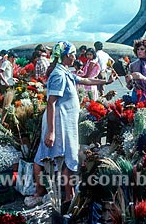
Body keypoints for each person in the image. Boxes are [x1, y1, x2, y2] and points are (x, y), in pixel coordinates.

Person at [33, 41, 115, 201]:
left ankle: (62, 194)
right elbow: (51, 102)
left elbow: (85, 80)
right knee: (51, 157)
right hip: (58, 122)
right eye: (74, 54)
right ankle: (46, 193)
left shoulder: (65, 72)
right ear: (67, 56)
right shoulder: (58, 75)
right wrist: (51, 131)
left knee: (58, 156)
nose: (76, 57)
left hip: (64, 122)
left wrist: (105, 82)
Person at [125, 37, 146, 103]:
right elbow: (130, 87)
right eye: (137, 49)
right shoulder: (133, 65)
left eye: (142, 49)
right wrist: (128, 81)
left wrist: (142, 78)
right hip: (135, 95)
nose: (139, 51)